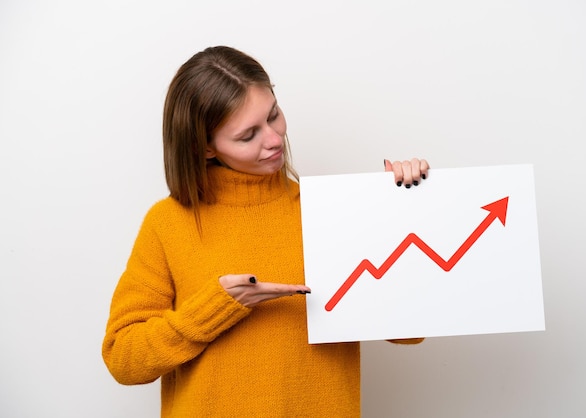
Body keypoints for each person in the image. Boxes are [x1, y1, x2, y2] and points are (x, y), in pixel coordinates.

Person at [102, 46, 429, 417]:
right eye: (248, 135)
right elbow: (123, 358)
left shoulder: (332, 212)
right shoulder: (168, 222)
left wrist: (398, 214)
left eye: (274, 115)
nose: (274, 139)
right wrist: (216, 309)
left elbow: (410, 332)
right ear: (206, 147)